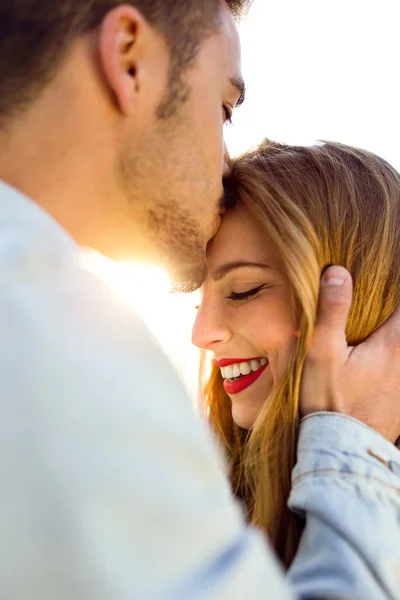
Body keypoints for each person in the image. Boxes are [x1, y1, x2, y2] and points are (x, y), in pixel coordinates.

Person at [0, 1, 399, 598]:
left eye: (244, 290)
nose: (222, 161)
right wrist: (353, 450)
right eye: (223, 108)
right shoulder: (52, 345)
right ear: (129, 59)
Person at [192, 139, 400, 569]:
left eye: (243, 291)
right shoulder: (202, 493)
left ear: (358, 300)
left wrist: (351, 450)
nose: (202, 333)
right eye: (199, 302)